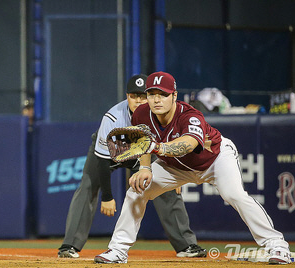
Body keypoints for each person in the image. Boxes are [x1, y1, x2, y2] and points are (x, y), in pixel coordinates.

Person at [94, 71, 291, 265]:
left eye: (163, 94)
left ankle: (277, 245)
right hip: (175, 167)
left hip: (215, 160)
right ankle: (118, 250)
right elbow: (144, 142)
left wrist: (158, 147)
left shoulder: (190, 115)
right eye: (152, 94)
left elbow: (188, 144)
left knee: (235, 195)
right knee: (137, 191)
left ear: (174, 96)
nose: (157, 99)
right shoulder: (141, 114)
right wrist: (145, 168)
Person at [58, 75, 206, 259]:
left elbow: (170, 143)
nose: (139, 101)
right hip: (112, 150)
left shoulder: (162, 113)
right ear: (127, 96)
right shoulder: (113, 118)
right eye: (134, 96)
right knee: (87, 185)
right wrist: (107, 197)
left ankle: (187, 246)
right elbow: (103, 161)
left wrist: (175, 175)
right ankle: (70, 245)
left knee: (166, 190)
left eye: (143, 96)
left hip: (142, 152)